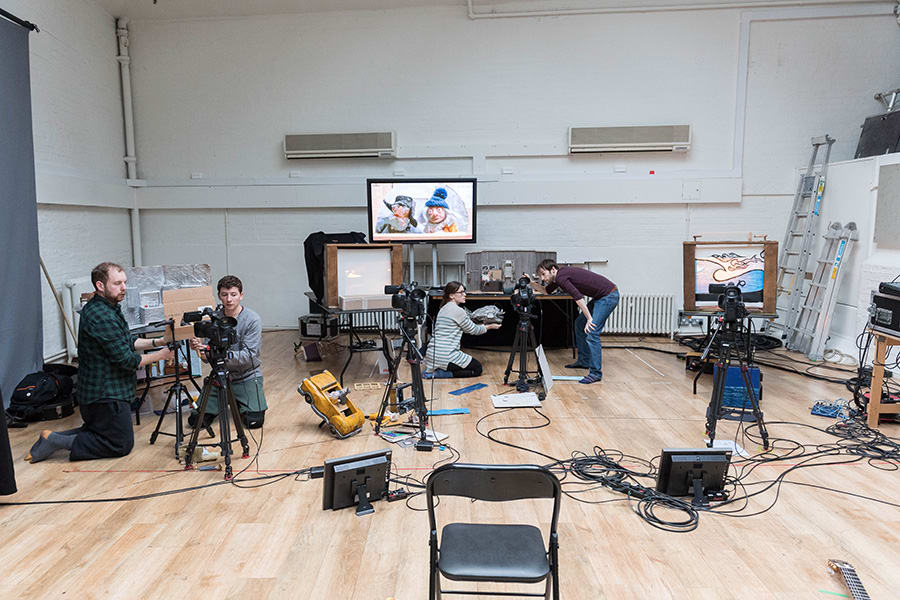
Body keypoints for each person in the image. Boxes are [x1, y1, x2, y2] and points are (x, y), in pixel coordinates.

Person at [25, 262, 174, 463]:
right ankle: (55, 440)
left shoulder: (109, 308)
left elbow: (127, 340)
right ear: (100, 285)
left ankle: (50, 438)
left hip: (107, 393)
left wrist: (158, 341)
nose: (123, 288)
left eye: (124, 282)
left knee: (100, 431)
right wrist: (161, 355)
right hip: (104, 396)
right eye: (117, 283)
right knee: (120, 444)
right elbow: (127, 360)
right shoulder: (101, 316)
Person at [189, 275, 267, 429]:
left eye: (233, 294)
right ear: (219, 296)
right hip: (219, 375)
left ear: (241, 296)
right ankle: (226, 402)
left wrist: (220, 355)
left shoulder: (252, 320)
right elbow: (206, 356)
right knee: (196, 421)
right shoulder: (213, 318)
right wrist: (201, 349)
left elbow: (249, 356)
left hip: (247, 375)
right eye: (224, 295)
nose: (229, 299)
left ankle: (238, 402)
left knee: (254, 422)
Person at [536, 260, 619, 384]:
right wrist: (531, 283)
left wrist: (590, 319)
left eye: (543, 274)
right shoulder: (558, 278)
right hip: (600, 297)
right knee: (579, 324)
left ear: (553, 269)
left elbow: (578, 297)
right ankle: (584, 361)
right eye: (540, 276)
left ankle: (596, 373)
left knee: (592, 331)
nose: (542, 278)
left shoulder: (561, 277)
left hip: (608, 296)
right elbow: (546, 291)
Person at [425, 281, 500, 378]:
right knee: (477, 369)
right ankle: (442, 374)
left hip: (432, 354)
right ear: (452, 295)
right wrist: (490, 326)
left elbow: (462, 327)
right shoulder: (458, 311)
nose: (464, 294)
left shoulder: (443, 308)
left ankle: (439, 369)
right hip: (446, 355)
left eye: (464, 292)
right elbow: (474, 330)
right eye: (461, 292)